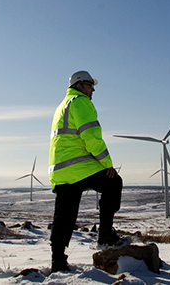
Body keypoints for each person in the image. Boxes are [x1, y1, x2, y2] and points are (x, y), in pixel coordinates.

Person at [48, 70, 123, 272]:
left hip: (62, 172)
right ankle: (106, 235)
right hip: (80, 167)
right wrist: (107, 164)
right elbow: (91, 136)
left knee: (63, 217)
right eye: (90, 86)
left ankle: (57, 260)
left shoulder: (62, 106)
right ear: (80, 85)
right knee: (114, 182)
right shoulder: (81, 102)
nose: (93, 90)